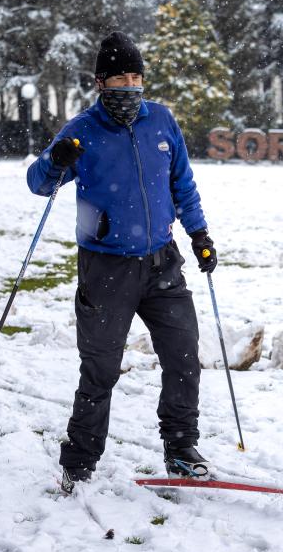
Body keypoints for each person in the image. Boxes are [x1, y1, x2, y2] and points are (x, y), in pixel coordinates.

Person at [26, 32, 216, 494]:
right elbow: (38, 182)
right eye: (120, 78)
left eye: (137, 77)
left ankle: (181, 449)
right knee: (101, 368)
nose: (130, 85)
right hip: (106, 268)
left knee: (183, 354)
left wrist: (199, 234)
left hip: (162, 261)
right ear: (100, 82)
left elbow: (182, 184)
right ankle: (80, 459)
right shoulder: (82, 130)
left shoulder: (162, 122)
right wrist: (57, 157)